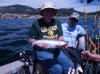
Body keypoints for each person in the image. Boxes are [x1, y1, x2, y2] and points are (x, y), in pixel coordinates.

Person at [28, 2, 74, 74]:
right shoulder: (36, 23)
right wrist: (37, 44)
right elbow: (31, 39)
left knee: (70, 65)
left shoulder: (57, 22)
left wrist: (62, 43)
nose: (49, 13)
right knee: (57, 69)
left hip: (55, 50)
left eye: (51, 11)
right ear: (43, 12)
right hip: (41, 51)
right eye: (46, 10)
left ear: (53, 13)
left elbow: (60, 37)